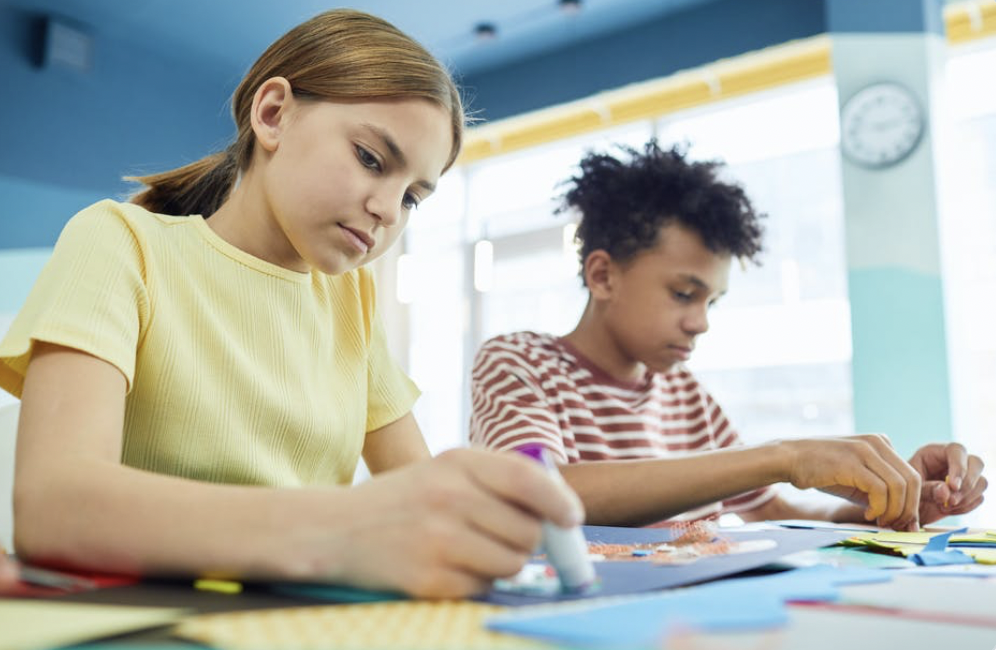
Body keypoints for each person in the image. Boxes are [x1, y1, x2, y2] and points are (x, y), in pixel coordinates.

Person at [0, 9, 583, 599]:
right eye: (371, 159)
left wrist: (480, 516)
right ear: (273, 114)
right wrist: (347, 533)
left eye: (413, 197)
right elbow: (55, 509)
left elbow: (418, 487)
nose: (387, 209)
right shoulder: (122, 242)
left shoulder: (350, 297)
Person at [470, 140, 986, 531]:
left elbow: (772, 508)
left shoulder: (686, 395)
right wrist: (784, 455)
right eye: (682, 293)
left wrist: (883, 508)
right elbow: (539, 491)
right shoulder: (518, 362)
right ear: (603, 275)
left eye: (711, 301)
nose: (701, 322)